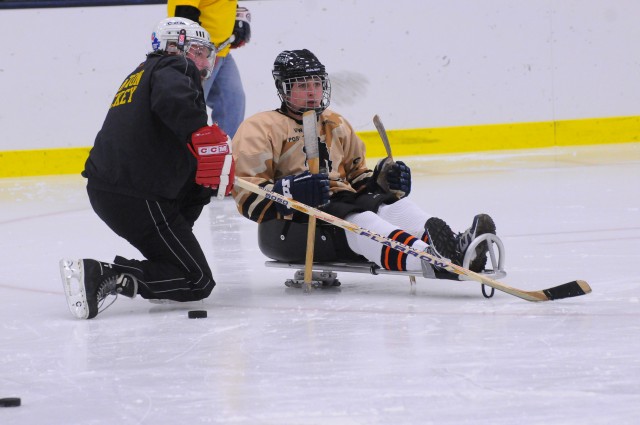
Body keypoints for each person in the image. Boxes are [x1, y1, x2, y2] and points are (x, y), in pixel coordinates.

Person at [231, 49, 496, 282]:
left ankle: (455, 247)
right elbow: (245, 195)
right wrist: (290, 192)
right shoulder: (260, 127)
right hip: (292, 223)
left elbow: (357, 178)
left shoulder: (335, 122)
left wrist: (383, 181)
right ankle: (428, 259)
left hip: (340, 202)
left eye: (316, 83)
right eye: (302, 85)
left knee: (392, 206)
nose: (312, 92)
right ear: (283, 88)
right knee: (363, 219)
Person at [59, 17, 235, 319]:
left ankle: (167, 268)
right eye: (199, 51)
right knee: (197, 281)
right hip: (137, 194)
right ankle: (103, 274)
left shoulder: (140, 74)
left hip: (113, 189)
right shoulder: (174, 67)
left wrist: (206, 165)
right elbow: (174, 101)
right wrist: (200, 134)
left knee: (200, 188)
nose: (206, 60)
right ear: (176, 46)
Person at [168, 0, 251, 138]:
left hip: (221, 52)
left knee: (233, 100)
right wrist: (198, 50)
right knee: (190, 107)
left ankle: (228, 152)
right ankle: (183, 153)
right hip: (199, 55)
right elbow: (182, 14)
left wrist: (234, 18)